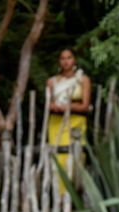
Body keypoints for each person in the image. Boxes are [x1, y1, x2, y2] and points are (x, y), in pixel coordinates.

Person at [46, 47, 91, 191]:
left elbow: (85, 106)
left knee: (75, 157)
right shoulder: (52, 81)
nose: (66, 61)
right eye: (63, 58)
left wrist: (67, 107)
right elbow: (49, 103)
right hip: (56, 123)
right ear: (59, 61)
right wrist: (57, 107)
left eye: (69, 57)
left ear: (75, 60)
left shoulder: (83, 80)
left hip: (76, 122)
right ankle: (60, 197)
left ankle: (74, 194)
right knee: (58, 158)